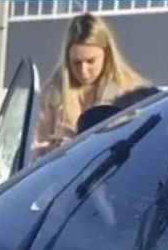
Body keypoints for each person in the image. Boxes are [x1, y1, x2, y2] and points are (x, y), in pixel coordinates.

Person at [34, 13, 151, 158]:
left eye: (91, 61)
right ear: (66, 59)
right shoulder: (50, 96)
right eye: (76, 63)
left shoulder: (132, 94)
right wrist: (50, 150)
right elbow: (33, 150)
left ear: (107, 54)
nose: (83, 71)